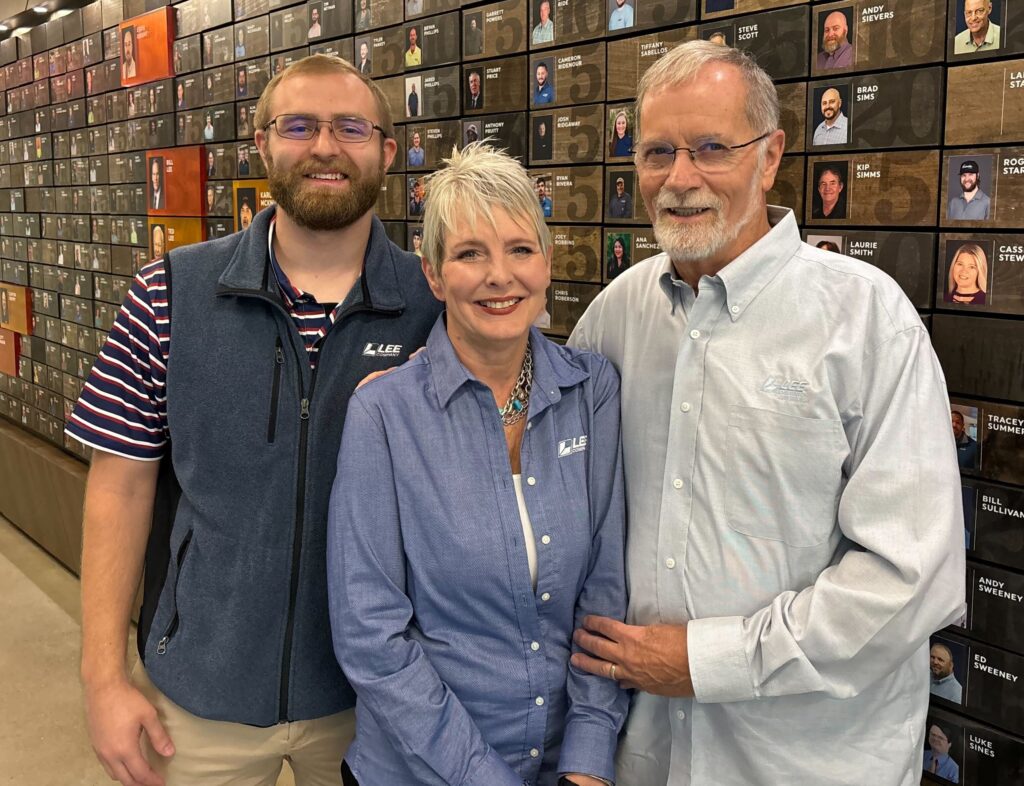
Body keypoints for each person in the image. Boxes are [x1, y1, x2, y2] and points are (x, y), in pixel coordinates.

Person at [567, 40, 964, 786]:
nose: (679, 180)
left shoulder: (865, 317)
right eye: (657, 152)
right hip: (643, 755)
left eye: (711, 148)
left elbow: (910, 580)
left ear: (771, 154)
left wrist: (704, 660)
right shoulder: (612, 319)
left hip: (805, 763)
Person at [68, 53, 441, 786]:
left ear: (388, 153)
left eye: (351, 127)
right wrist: (103, 678)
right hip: (198, 700)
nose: (325, 147)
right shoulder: (168, 293)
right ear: (263, 143)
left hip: (379, 697)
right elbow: (118, 490)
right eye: (298, 125)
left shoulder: (436, 309)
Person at [327, 142, 627, 786]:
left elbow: (604, 596)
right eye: (470, 254)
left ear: (546, 263)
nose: (500, 276)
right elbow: (370, 635)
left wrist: (587, 761)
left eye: (520, 249)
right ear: (433, 275)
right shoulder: (384, 414)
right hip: (421, 770)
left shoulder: (592, 390)